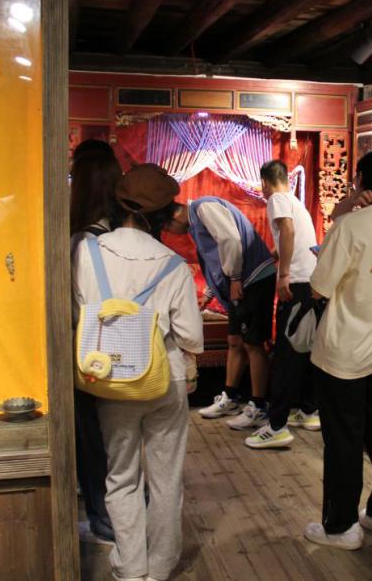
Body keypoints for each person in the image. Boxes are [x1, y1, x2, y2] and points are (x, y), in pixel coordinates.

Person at [73, 164, 203, 581]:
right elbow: (192, 336)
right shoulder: (173, 264)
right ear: (163, 214)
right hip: (165, 378)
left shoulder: (86, 251)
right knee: (166, 477)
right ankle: (161, 565)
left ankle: (130, 567)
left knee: (121, 474)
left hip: (111, 378)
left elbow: (78, 313)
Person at [304, 149, 372, 550]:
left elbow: (319, 288)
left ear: (362, 180)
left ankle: (341, 526)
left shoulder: (350, 226)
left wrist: (348, 208)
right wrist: (352, 204)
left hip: (344, 352)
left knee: (344, 441)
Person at [169, 195, 276, 430]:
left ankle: (259, 407)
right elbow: (216, 259)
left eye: (168, 229)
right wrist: (209, 293)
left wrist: (235, 277)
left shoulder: (203, 207)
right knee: (234, 341)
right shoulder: (196, 221)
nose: (173, 234)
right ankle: (230, 397)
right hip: (239, 282)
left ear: (173, 218)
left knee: (253, 343)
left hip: (253, 279)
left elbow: (230, 239)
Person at [246, 160, 322, 449]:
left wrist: (284, 274)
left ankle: (276, 426)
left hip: (296, 283)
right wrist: (274, 256)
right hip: (310, 283)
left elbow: (287, 231)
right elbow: (291, 236)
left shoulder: (276, 199)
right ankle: (309, 411)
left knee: (286, 355)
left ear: (265, 183)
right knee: (304, 351)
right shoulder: (295, 201)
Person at [69, 142, 123, 543]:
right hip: (127, 351)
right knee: (121, 443)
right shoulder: (125, 237)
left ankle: (103, 519)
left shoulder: (78, 243)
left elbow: (74, 308)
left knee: (91, 439)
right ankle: (124, 516)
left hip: (87, 353)